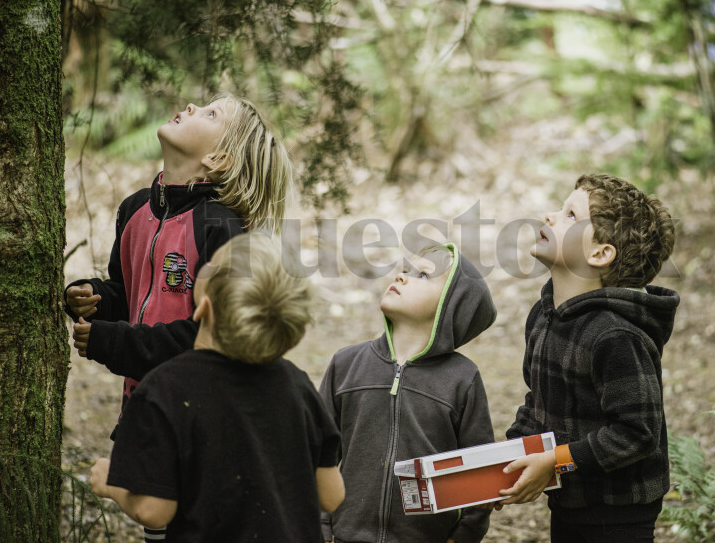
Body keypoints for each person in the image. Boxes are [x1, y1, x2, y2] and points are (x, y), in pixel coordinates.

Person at [66, 93, 291, 542]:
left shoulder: (222, 227)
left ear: (218, 158)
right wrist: (96, 298)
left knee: (183, 519)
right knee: (162, 524)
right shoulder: (135, 211)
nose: (191, 107)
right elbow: (130, 294)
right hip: (146, 404)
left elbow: (216, 334)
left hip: (202, 414)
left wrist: (117, 343)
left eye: (211, 114)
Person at [89, 231, 344, 541]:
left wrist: (110, 482)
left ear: (203, 308)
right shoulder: (296, 383)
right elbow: (331, 496)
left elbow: (153, 511)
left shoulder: (164, 389)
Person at [499, 174, 680, 543]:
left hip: (620, 514)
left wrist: (555, 460)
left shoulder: (616, 336)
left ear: (599, 253)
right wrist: (503, 465)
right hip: (569, 500)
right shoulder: (544, 316)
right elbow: (540, 404)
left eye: (569, 214)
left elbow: (638, 433)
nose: (550, 216)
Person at [320, 243, 497, 543]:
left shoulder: (462, 380)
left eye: (423, 276)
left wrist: (463, 536)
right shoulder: (346, 364)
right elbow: (316, 455)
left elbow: (480, 474)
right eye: (404, 270)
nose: (402, 277)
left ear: (451, 306)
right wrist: (320, 529)